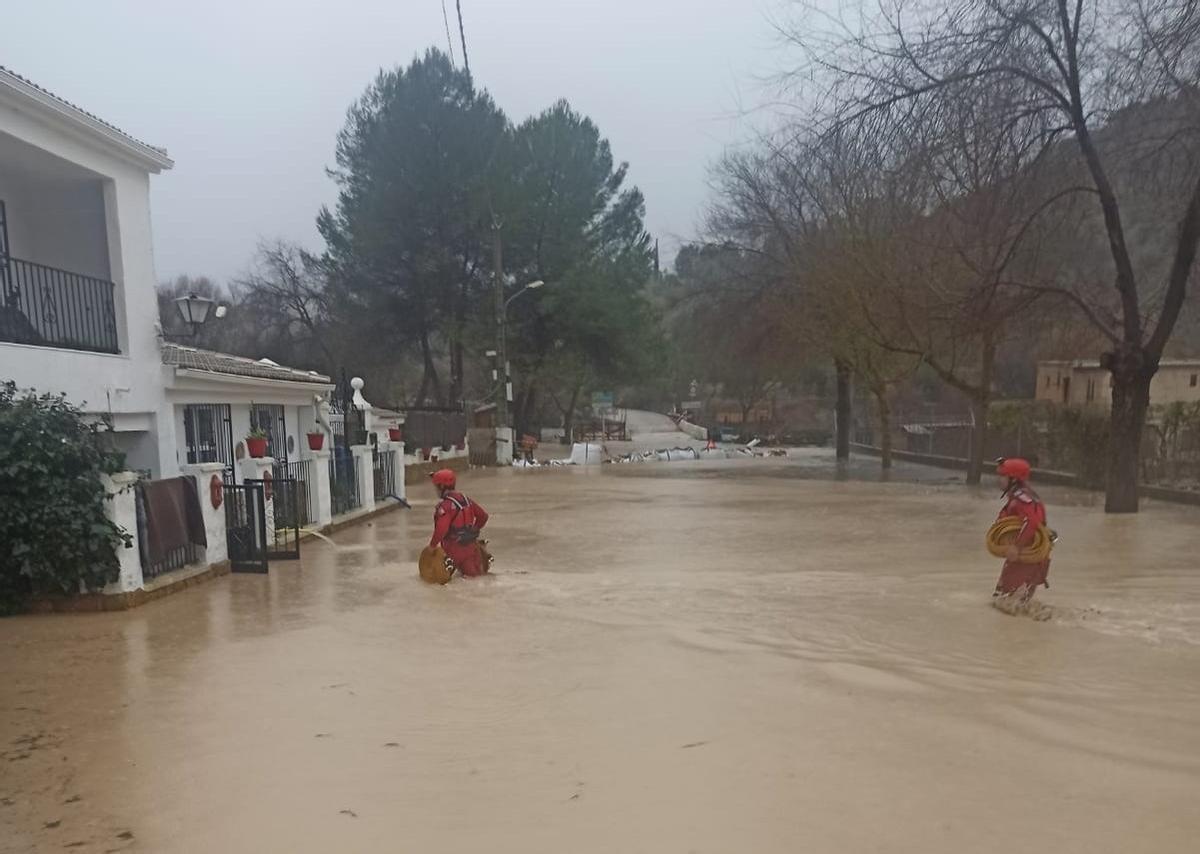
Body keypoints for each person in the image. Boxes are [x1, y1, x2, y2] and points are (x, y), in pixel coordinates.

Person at [993, 457, 1050, 607]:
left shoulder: (1022, 499)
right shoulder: (1018, 496)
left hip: (1027, 556)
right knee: (1009, 603)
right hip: (1024, 558)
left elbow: (1031, 522)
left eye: (1002, 476)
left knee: (1006, 603)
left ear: (1014, 479)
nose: (999, 479)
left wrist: (1016, 546)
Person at [429, 469, 490, 577]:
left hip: (453, 550)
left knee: (446, 581)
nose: (435, 490)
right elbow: (483, 516)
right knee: (474, 578)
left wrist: (432, 547)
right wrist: (474, 529)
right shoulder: (466, 500)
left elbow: (441, 529)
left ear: (441, 487)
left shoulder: (445, 506)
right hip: (471, 548)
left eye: (435, 487)